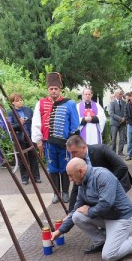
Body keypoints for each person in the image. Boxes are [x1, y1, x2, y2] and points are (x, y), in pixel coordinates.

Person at [51, 157, 132, 261]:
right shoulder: (81, 183)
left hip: (122, 218)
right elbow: (76, 208)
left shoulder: (102, 176)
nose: (70, 179)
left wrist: (89, 211)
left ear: (80, 171)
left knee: (109, 256)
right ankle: (100, 242)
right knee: (77, 215)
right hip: (106, 217)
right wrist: (60, 231)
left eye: (70, 175)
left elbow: (106, 204)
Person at [31, 72, 80, 204]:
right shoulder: (40, 104)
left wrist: (72, 142)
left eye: (56, 89)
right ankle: (56, 193)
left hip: (65, 144)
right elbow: (36, 122)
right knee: (52, 168)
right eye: (51, 89)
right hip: (48, 143)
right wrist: (38, 140)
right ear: (48, 90)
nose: (53, 91)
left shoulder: (69, 104)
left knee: (65, 168)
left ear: (60, 89)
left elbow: (75, 124)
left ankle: (65, 193)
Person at [66, 135, 132, 212]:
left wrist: (107, 183)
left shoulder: (101, 149)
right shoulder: (78, 161)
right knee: (98, 203)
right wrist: (70, 212)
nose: (72, 156)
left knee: (111, 205)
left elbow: (122, 167)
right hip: (99, 184)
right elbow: (76, 186)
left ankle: (124, 219)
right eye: (70, 153)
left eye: (74, 152)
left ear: (84, 148)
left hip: (119, 179)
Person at [8, 93, 41, 185]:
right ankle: (24, 178)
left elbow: (35, 122)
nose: (20, 102)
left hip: (30, 137)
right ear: (13, 103)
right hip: (20, 138)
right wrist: (20, 123)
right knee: (23, 158)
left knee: (33, 157)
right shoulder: (10, 112)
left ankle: (36, 177)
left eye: (21, 100)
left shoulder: (28, 110)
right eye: (17, 101)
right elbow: (9, 126)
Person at [109, 89, 127, 155]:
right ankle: (113, 153)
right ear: (115, 94)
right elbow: (111, 113)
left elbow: (126, 112)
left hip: (123, 123)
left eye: (121, 94)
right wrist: (120, 119)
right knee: (113, 139)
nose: (120, 95)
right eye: (119, 94)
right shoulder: (112, 103)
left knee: (122, 139)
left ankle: (120, 152)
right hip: (114, 123)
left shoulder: (124, 102)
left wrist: (124, 118)